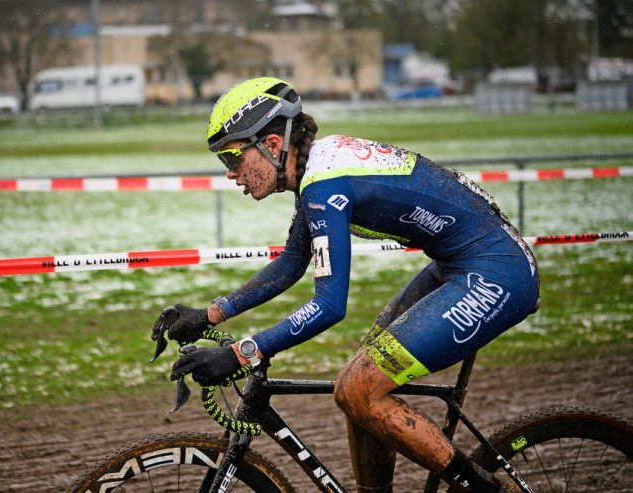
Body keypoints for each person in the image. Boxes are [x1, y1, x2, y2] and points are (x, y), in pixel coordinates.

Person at [153, 77, 539, 493]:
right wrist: (208, 314)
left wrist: (242, 352)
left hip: (495, 273)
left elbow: (330, 305)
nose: (230, 174)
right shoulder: (314, 171)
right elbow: (291, 263)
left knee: (358, 388)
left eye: (232, 158)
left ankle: (486, 490)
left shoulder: (323, 183)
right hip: (457, 265)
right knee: (356, 391)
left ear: (271, 143)